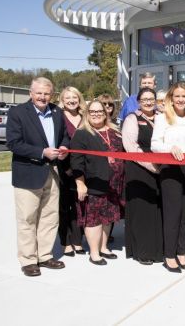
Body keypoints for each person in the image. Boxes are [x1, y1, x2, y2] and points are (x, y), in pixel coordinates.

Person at [7, 77, 69, 276]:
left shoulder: (57, 112)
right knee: (27, 219)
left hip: (53, 172)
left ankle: (44, 255)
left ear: (52, 94)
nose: (43, 97)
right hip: (28, 173)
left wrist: (65, 146)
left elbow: (65, 135)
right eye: (39, 93)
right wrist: (41, 152)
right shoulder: (17, 113)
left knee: (50, 217)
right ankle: (28, 260)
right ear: (30, 93)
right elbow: (14, 143)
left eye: (47, 93)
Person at [151, 82, 185, 273]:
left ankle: (181, 252)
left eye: (184, 97)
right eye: (177, 96)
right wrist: (169, 149)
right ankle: (169, 255)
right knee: (173, 214)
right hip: (170, 170)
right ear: (171, 99)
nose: (180, 100)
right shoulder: (163, 118)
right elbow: (155, 145)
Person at [70, 100, 125, 266]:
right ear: (87, 114)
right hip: (94, 183)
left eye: (99, 111)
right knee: (94, 219)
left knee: (108, 217)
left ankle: (104, 247)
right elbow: (76, 162)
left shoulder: (115, 131)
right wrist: (80, 183)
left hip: (114, 184)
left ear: (105, 112)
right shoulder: (82, 133)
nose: (96, 114)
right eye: (92, 111)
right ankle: (94, 252)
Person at [122, 88, 164, 265]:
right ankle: (142, 251)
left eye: (151, 99)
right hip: (139, 170)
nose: (148, 102)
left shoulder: (161, 117)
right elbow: (130, 146)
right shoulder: (132, 118)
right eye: (144, 99)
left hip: (159, 170)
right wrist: (151, 165)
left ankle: (156, 249)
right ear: (138, 101)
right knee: (142, 212)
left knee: (156, 210)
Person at [57, 86, 86, 257]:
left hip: (82, 168)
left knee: (80, 205)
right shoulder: (58, 117)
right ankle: (66, 242)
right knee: (64, 206)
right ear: (62, 99)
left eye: (74, 96)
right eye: (67, 97)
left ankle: (77, 240)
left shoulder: (84, 117)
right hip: (64, 168)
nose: (71, 100)